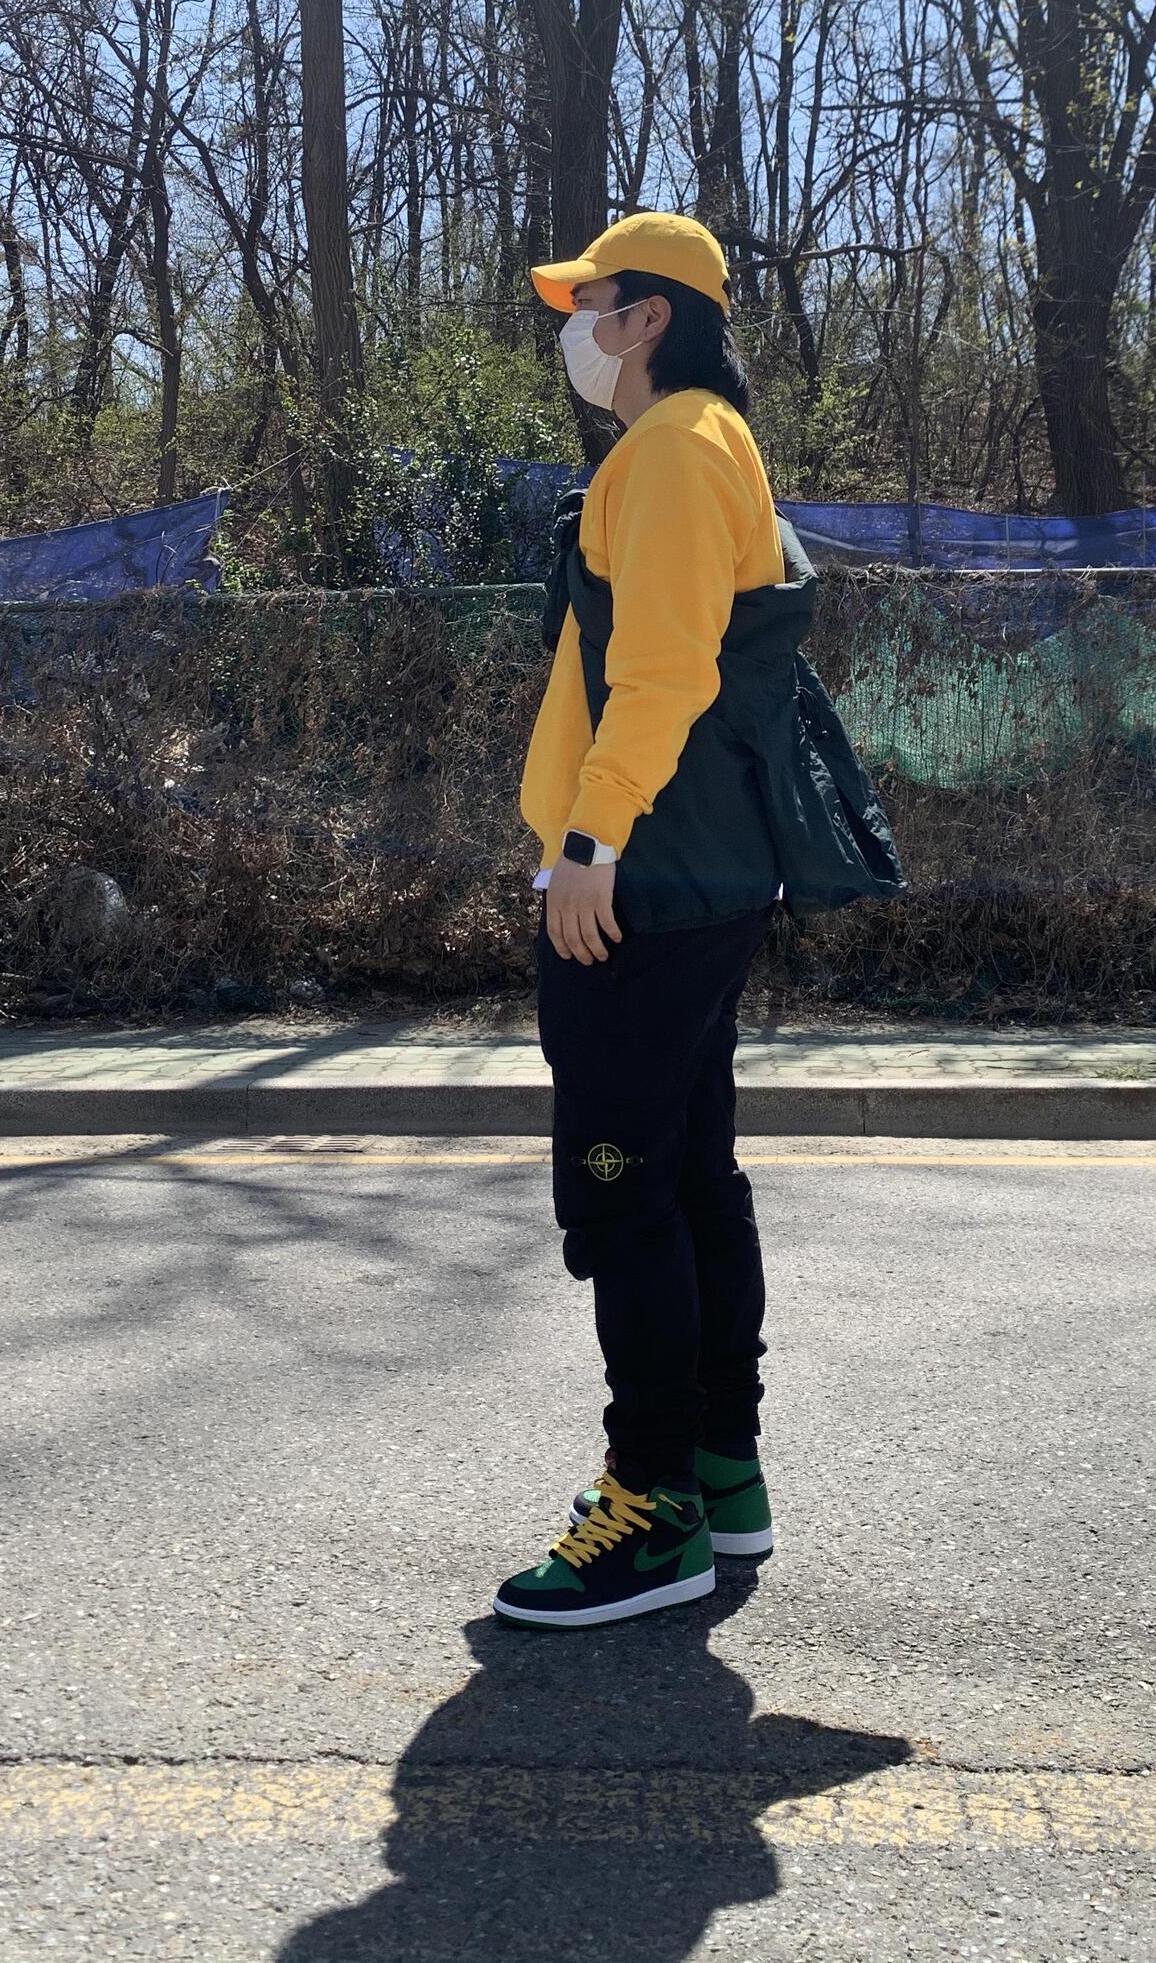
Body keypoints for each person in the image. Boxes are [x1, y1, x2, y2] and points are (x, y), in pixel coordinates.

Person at [493, 210, 902, 1631]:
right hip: (696, 872)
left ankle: (651, 1504)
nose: (576, 327)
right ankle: (722, 1470)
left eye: (591, 302)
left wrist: (590, 840)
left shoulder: (670, 451)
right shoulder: (717, 444)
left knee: (621, 1190)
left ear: (650, 317)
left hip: (644, 878)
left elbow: (662, 667)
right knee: (690, 1177)